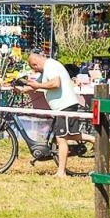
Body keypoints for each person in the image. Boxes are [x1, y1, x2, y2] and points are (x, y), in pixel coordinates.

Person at [15, 48, 82, 176]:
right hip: (61, 107)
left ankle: (61, 172)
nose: (35, 71)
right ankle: (94, 141)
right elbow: (37, 84)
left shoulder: (50, 66)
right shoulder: (47, 68)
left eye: (34, 68)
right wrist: (22, 89)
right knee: (65, 135)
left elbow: (55, 84)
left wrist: (38, 86)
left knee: (62, 138)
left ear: (35, 64)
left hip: (65, 105)